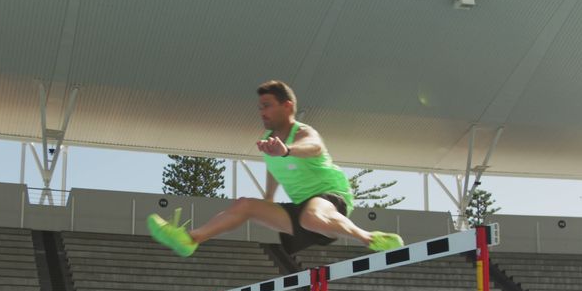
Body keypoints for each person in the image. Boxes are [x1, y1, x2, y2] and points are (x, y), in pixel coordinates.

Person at [147, 80, 404, 257]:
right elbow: (275, 170)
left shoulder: (302, 132)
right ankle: (190, 239)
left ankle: (369, 237)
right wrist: (268, 200)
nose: (262, 112)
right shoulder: (270, 140)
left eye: (267, 105)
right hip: (303, 210)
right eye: (260, 107)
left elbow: (313, 147)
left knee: (311, 215)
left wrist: (287, 150)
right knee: (245, 204)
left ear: (287, 106)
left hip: (331, 200)